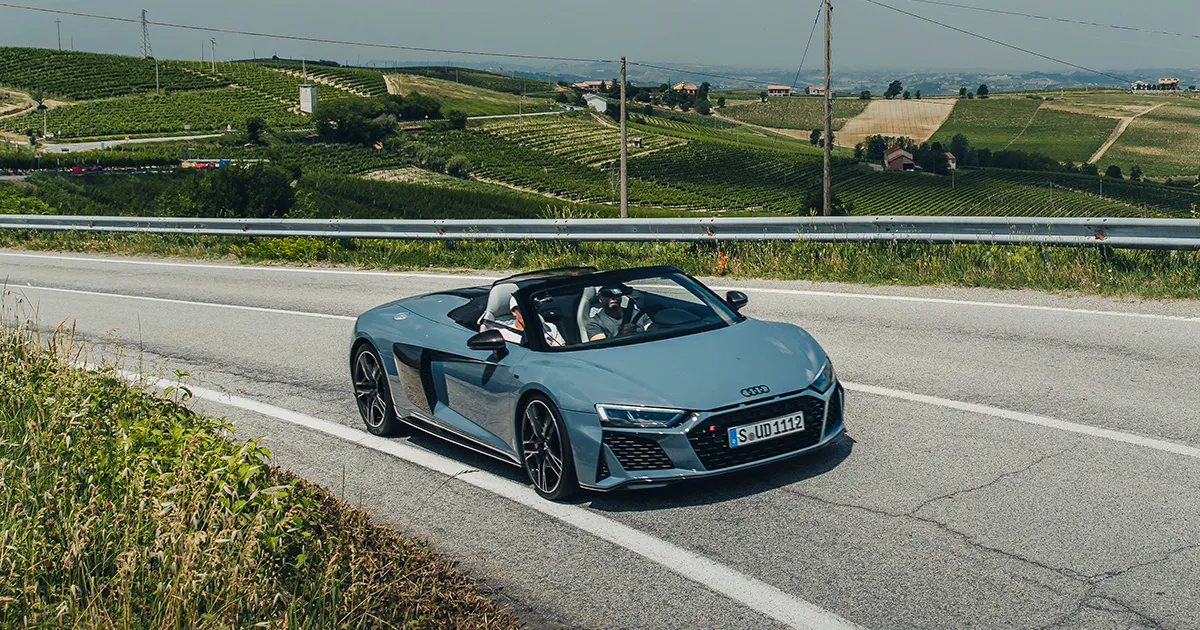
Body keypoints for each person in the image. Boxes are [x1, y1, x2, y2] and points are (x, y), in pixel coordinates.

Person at [587, 284, 651, 342]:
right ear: (599, 297)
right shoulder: (595, 323)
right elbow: (600, 347)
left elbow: (653, 332)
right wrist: (623, 335)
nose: (613, 297)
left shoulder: (638, 315)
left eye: (616, 293)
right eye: (607, 294)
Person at [496, 295, 565, 347]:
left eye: (534, 307)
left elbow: (562, 350)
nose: (529, 312)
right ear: (514, 312)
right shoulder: (503, 334)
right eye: (523, 309)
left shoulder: (550, 328)